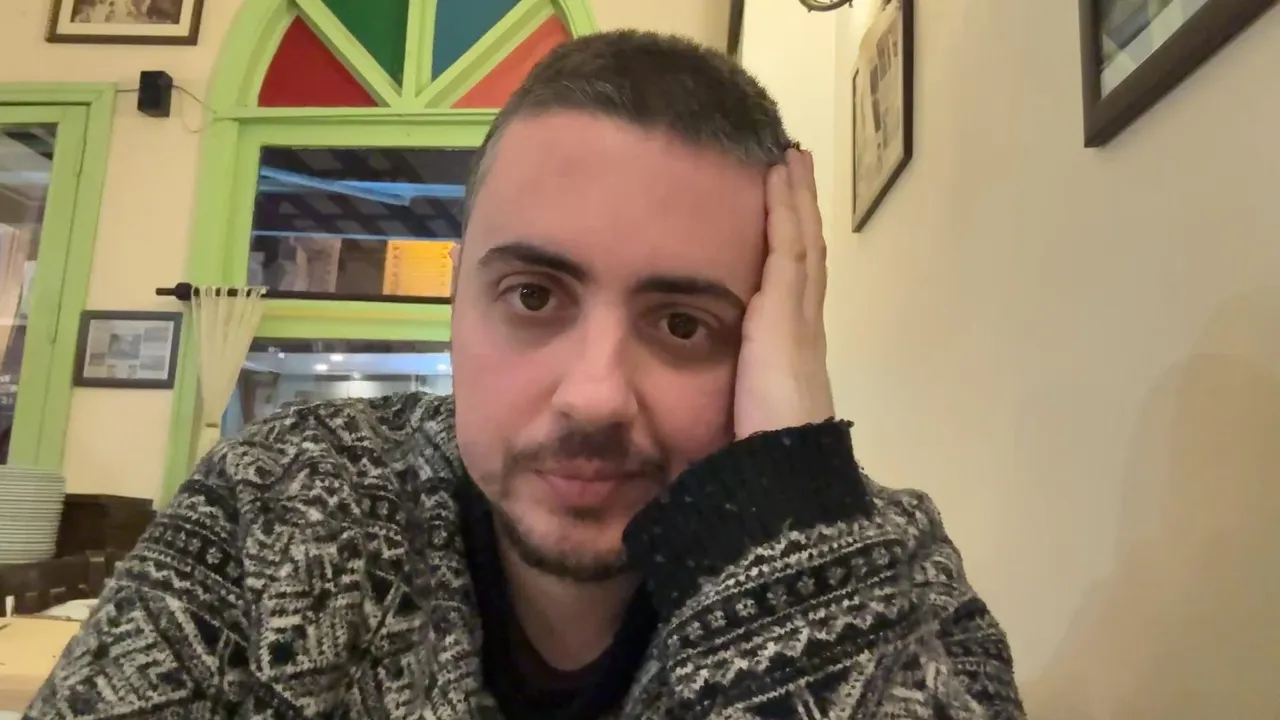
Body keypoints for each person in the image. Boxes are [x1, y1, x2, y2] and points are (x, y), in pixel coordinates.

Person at [25, 30, 1024, 720]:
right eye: (535, 296)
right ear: (457, 302)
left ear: (772, 335)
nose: (594, 395)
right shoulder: (275, 503)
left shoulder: (883, 565)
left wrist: (792, 545)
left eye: (683, 323)